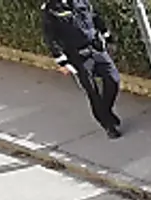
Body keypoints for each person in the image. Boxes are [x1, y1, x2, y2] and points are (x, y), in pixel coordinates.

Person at [40, 0, 122, 138]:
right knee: (92, 91)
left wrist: (108, 37)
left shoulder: (81, 1)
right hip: (78, 56)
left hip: (96, 49)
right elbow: (51, 38)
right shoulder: (51, 9)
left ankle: (106, 112)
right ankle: (108, 126)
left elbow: (95, 17)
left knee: (113, 80)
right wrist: (62, 62)